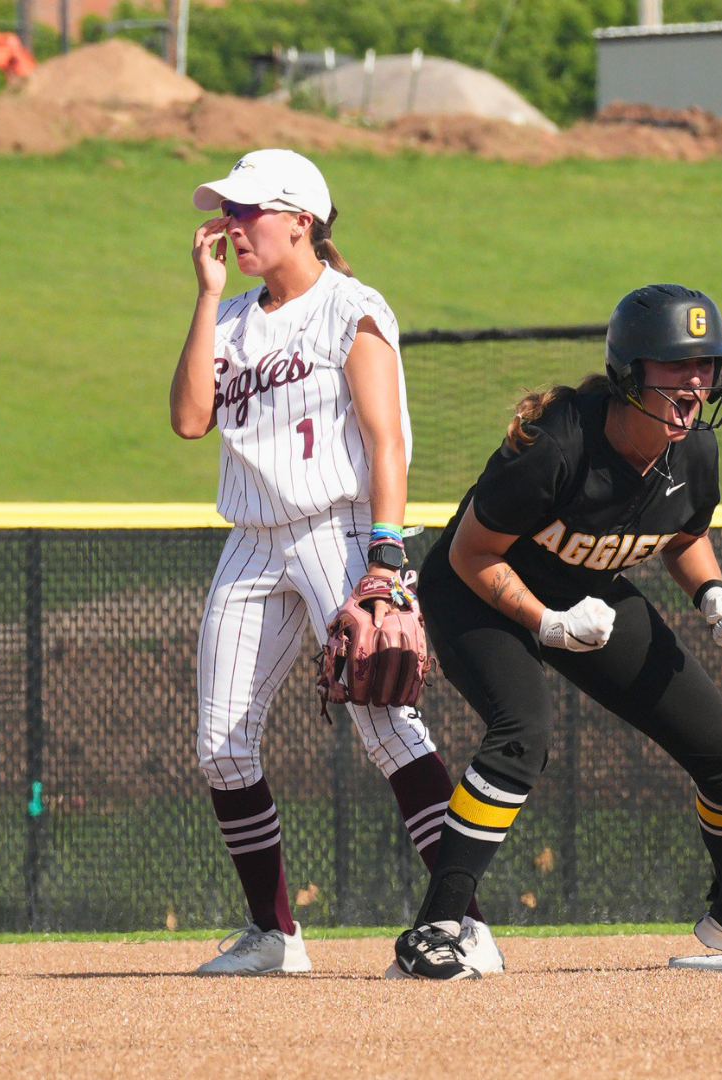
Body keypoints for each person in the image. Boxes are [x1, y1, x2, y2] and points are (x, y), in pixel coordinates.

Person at [390, 283, 722, 980]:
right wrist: (546, 622)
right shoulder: (556, 443)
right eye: (676, 365)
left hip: (588, 589)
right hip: (477, 587)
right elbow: (469, 554)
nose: (697, 380)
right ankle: (441, 923)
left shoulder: (695, 449)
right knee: (523, 735)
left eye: (706, 365)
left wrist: (712, 591)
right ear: (630, 374)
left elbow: (682, 534)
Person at [169, 148, 500, 975]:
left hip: (340, 530)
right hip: (251, 539)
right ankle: (274, 935)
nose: (234, 225)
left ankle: (463, 925)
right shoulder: (235, 319)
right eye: (230, 211)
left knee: (387, 724)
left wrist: (387, 556)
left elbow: (387, 441)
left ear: (300, 220)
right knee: (221, 745)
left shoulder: (349, 307)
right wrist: (207, 299)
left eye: (250, 210)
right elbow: (186, 420)